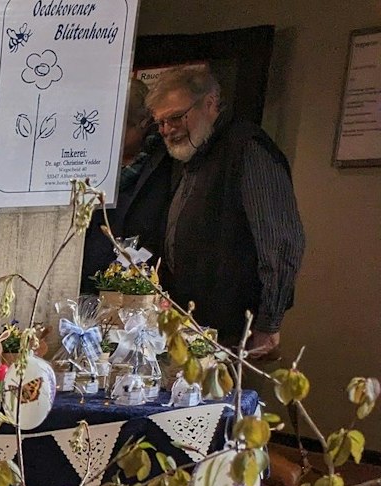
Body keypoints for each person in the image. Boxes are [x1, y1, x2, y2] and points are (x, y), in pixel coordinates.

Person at [118, 65, 303, 356]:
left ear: (210, 103)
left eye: (176, 117)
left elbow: (279, 243)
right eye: (161, 122)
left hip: (232, 327)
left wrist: (269, 322)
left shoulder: (248, 150)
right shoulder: (189, 153)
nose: (167, 130)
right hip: (188, 320)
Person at [83, 80, 156, 287]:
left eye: (119, 127)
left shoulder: (161, 163)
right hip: (88, 274)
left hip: (134, 281)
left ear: (144, 123)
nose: (109, 136)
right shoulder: (95, 158)